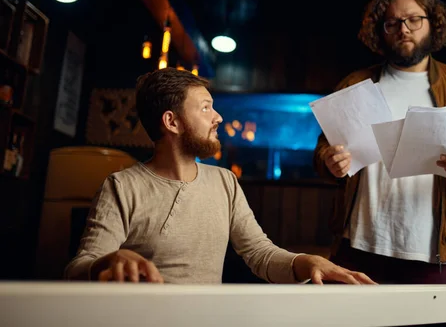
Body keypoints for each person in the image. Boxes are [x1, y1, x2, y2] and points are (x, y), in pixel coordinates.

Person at [65, 68, 376, 285]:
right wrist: (108, 262)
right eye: (205, 108)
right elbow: (77, 269)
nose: (218, 117)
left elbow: (259, 254)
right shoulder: (122, 186)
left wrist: (305, 262)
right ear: (172, 122)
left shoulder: (224, 181)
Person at [313, 0, 446, 284]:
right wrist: (329, 161)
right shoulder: (354, 84)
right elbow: (324, 150)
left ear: (434, 23)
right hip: (357, 244)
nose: (403, 29)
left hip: (430, 250)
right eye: (392, 23)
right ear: (381, 31)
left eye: (414, 19)